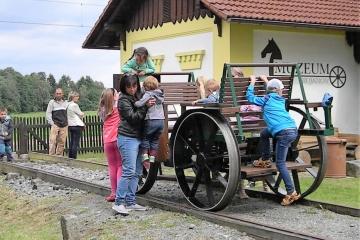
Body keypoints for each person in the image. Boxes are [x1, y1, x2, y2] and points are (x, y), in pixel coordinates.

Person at [246, 75, 300, 206]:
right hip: (292, 129)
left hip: (282, 133)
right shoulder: (281, 99)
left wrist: (252, 82)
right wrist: (266, 81)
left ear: (268, 91)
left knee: (280, 163)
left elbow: (250, 98)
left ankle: (291, 191)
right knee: (264, 133)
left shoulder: (265, 99)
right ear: (278, 91)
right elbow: (272, 91)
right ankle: (265, 159)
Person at [112, 74, 155, 215]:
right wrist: (145, 107)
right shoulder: (123, 100)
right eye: (129, 87)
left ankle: (130, 202)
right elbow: (133, 118)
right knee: (129, 171)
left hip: (138, 138)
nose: (132, 89)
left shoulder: (139, 95)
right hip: (127, 138)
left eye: (134, 86)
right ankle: (118, 203)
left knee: (136, 171)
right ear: (124, 87)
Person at [98, 88, 122, 202]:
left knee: (112, 166)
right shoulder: (117, 108)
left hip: (107, 142)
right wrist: (117, 98)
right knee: (120, 166)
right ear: (114, 97)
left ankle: (113, 192)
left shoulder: (102, 111)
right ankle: (119, 194)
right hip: (117, 139)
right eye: (116, 93)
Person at [134, 76, 165, 165]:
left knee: (145, 137)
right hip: (161, 121)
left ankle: (145, 156)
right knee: (155, 139)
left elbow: (140, 104)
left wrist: (134, 103)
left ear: (146, 87)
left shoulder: (148, 94)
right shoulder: (160, 94)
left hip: (151, 120)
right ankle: (152, 157)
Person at [46, 88, 69, 156]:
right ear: (55, 94)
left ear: (62, 94)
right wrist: (52, 124)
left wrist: (67, 123)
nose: (58, 95)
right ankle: (51, 156)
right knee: (52, 141)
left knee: (62, 142)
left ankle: (59, 156)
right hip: (55, 124)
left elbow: (68, 113)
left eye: (60, 93)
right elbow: (48, 113)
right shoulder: (52, 102)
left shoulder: (66, 103)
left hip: (64, 125)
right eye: (57, 93)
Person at [67, 91, 85, 159]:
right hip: (77, 125)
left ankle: (70, 157)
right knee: (75, 143)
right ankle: (74, 158)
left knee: (72, 142)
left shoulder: (67, 104)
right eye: (76, 96)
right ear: (73, 97)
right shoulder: (74, 105)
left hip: (70, 125)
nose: (78, 97)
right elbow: (81, 114)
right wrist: (82, 114)